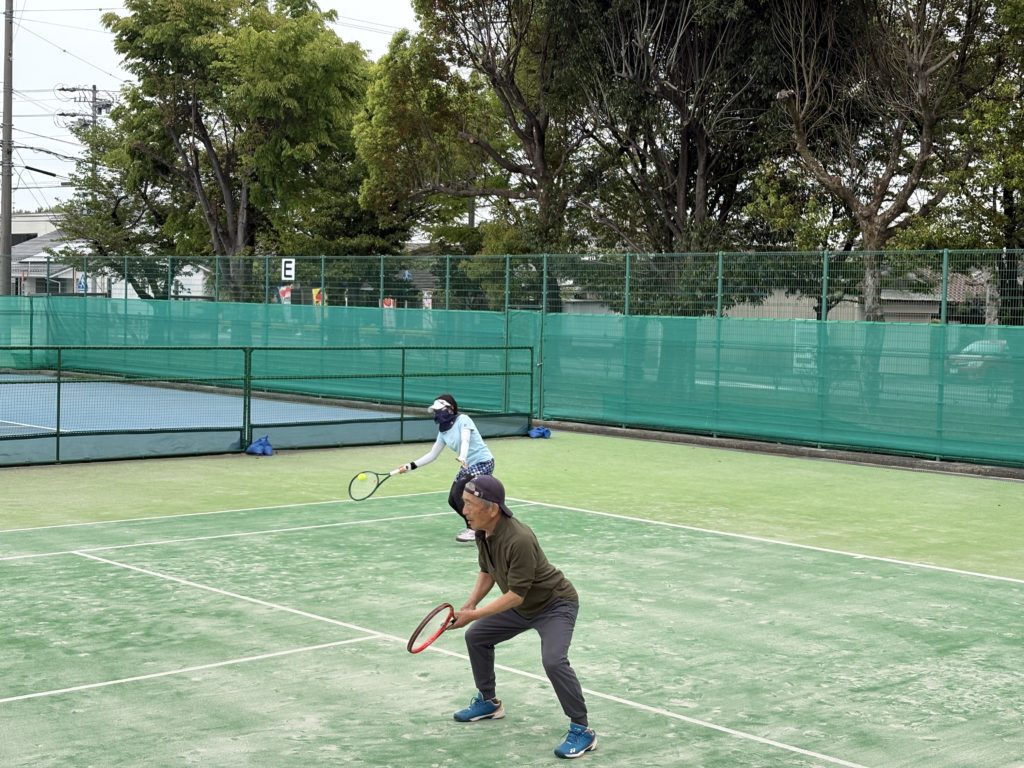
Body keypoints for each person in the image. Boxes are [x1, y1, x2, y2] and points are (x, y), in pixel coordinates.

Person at [448, 475, 597, 759]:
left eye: (469, 504)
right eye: (463, 503)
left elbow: (515, 595)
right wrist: (469, 605)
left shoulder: (520, 539)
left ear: (492, 508)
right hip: (522, 605)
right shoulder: (482, 531)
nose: (464, 510)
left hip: (555, 605)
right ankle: (489, 702)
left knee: (554, 661)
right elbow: (487, 572)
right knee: (476, 636)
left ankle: (582, 730)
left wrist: (474, 614)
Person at [396, 394, 496, 543]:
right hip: (467, 464)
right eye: (435, 411)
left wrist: (462, 456)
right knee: (452, 500)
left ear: (451, 408)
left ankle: (475, 529)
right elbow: (432, 454)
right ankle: (480, 525)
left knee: (458, 493)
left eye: (440, 410)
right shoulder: (443, 432)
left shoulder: (464, 419)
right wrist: (410, 466)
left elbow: (465, 439)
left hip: (483, 462)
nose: (437, 414)